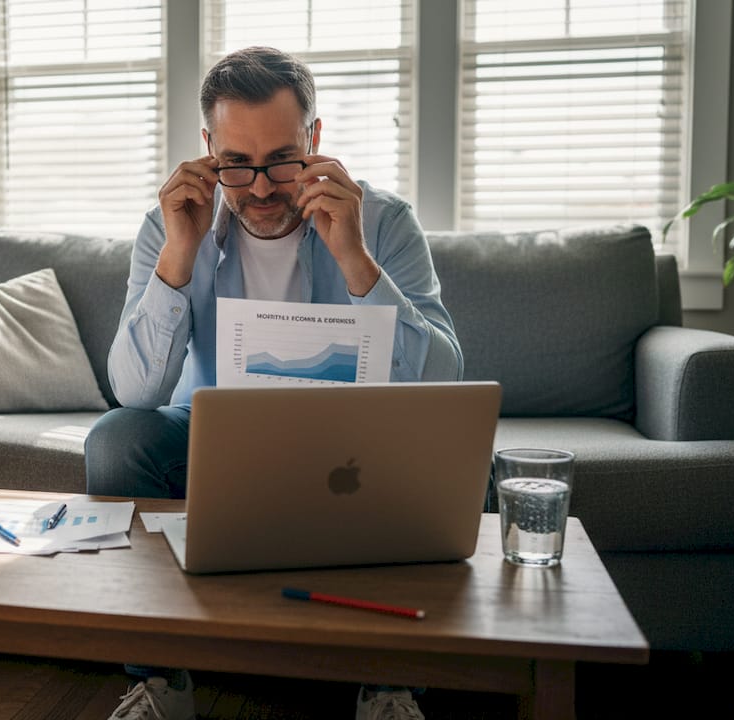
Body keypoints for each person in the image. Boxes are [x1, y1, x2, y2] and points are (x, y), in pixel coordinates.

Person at [85, 46, 462, 720]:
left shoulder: (384, 223)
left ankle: (391, 686)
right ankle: (164, 681)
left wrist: (355, 260)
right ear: (208, 150)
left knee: (474, 463)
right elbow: (134, 391)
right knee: (117, 440)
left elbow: (444, 378)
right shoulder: (170, 224)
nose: (260, 188)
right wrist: (178, 255)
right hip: (215, 430)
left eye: (282, 160)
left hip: (360, 435)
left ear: (315, 138)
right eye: (236, 164)